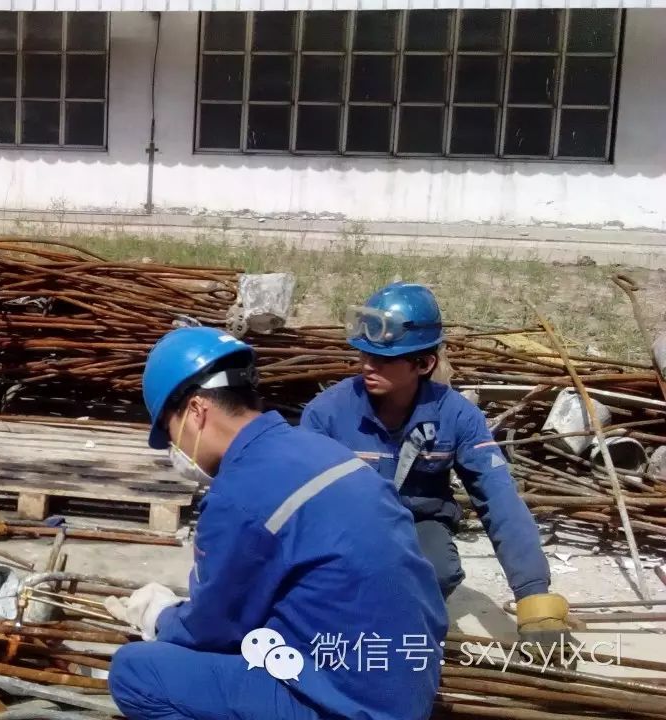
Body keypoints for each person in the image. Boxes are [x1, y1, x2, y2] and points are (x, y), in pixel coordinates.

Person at [105, 326, 447, 720]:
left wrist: (161, 616)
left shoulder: (239, 494)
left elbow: (213, 628)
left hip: (348, 706)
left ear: (197, 411)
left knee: (135, 672)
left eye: (170, 433)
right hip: (409, 681)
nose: (175, 450)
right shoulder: (323, 450)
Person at [299, 282, 571, 645]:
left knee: (436, 573)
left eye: (382, 359)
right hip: (347, 524)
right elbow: (296, 497)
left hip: (418, 522)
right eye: (363, 354)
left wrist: (534, 597)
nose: (366, 365)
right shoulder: (328, 412)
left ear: (424, 363)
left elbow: (499, 499)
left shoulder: (457, 416)